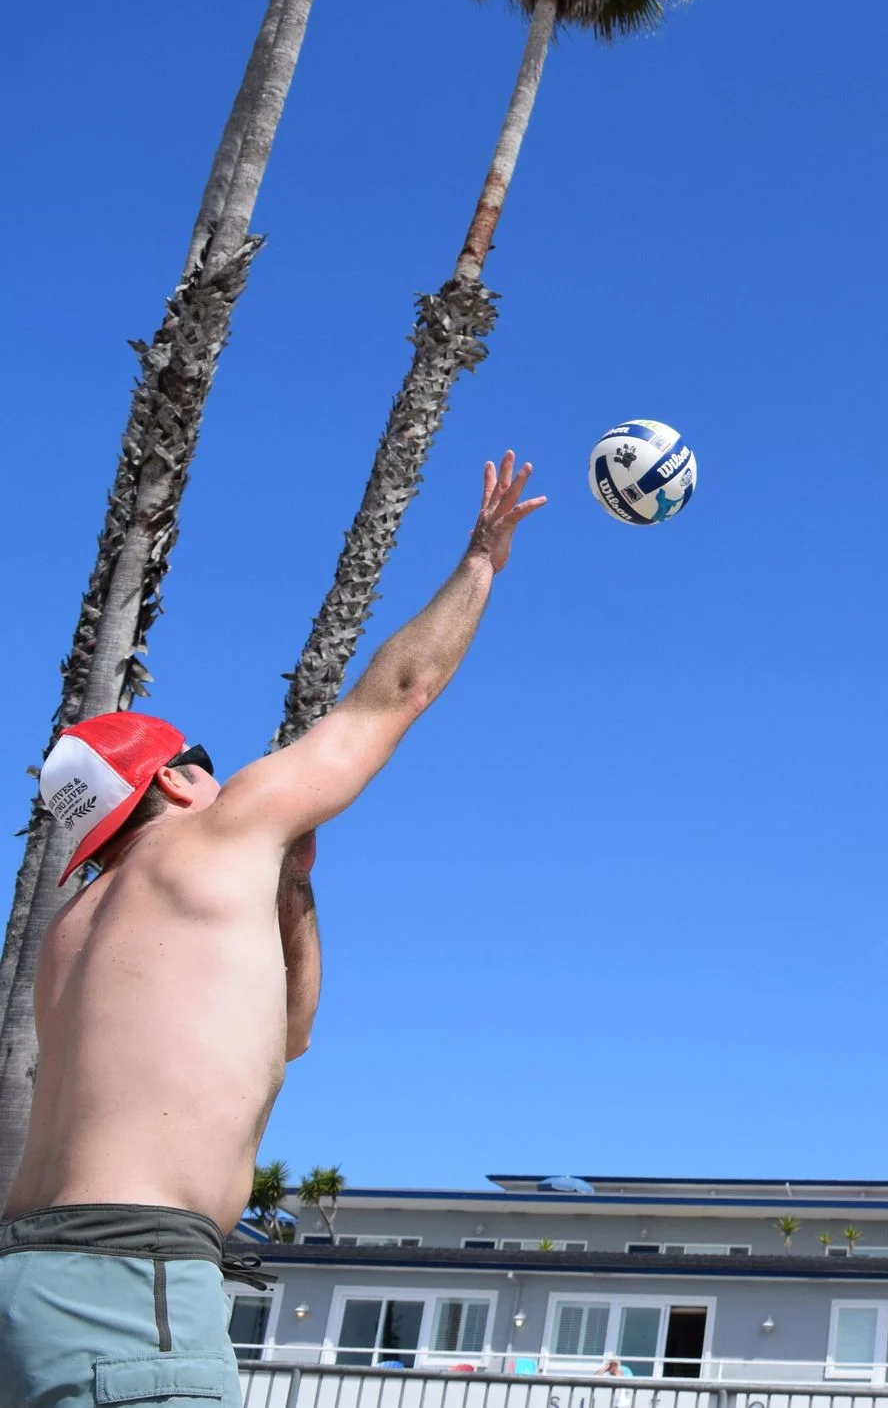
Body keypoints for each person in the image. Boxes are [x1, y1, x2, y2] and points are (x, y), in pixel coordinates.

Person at [0, 455, 544, 1408]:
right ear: (169, 782)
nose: (219, 775)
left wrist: (295, 888)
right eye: (200, 762)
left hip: (21, 1283)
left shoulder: (70, 930)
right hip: (135, 1283)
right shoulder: (216, 827)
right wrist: (479, 566)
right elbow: (399, 690)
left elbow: (286, 1034)